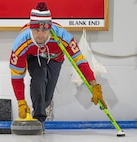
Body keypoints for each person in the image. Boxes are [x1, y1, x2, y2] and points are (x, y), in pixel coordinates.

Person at [9, 1, 107, 133]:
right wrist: (21, 101)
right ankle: (39, 120)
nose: (40, 34)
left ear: (50, 28)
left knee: (48, 95)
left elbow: (80, 61)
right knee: (39, 78)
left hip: (55, 58)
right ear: (31, 29)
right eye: (36, 30)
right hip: (34, 56)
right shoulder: (21, 42)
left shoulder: (62, 36)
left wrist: (95, 86)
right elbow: (16, 76)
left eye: (44, 30)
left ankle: (43, 107)